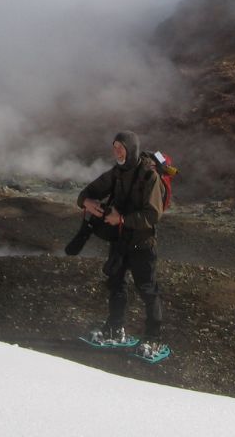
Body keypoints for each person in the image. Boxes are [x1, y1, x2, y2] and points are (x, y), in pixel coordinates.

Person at [77, 130, 166, 358]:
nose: (117, 150)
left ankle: (153, 339)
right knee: (116, 283)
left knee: (147, 290)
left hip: (143, 243)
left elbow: (153, 214)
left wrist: (122, 219)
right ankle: (115, 329)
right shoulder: (117, 173)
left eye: (121, 147)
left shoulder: (149, 177)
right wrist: (85, 200)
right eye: (114, 146)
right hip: (120, 241)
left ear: (131, 149)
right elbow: (91, 190)